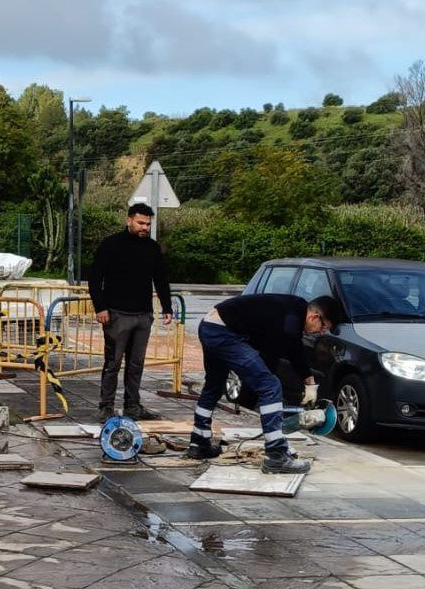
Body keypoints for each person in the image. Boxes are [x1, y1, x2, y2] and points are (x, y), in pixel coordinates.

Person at [189, 293, 345, 474]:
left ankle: (199, 443)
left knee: (214, 385)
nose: (321, 332)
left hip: (210, 325)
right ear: (314, 317)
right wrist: (256, 394)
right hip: (224, 332)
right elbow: (270, 357)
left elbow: (294, 349)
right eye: (323, 327)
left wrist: (310, 383)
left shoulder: (294, 312)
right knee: (270, 385)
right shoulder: (292, 317)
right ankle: (276, 454)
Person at [89, 203, 173, 422]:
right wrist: (100, 307)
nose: (144, 227)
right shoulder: (111, 244)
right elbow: (95, 278)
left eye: (148, 224)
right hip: (116, 314)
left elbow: (161, 278)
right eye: (140, 223)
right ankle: (106, 406)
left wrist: (167, 307)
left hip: (143, 315)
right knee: (113, 363)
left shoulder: (152, 248)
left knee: (136, 364)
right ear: (129, 220)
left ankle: (132, 406)